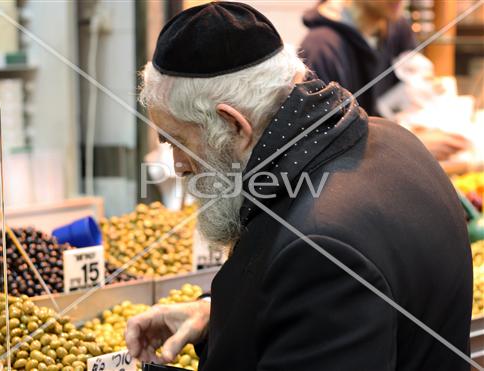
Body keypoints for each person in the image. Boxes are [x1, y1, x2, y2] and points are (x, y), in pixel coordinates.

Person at [125, 2, 472, 370]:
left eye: (177, 141)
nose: (178, 165)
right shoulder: (396, 141)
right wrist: (217, 314)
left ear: (234, 126)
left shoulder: (320, 250)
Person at [300, 0, 470, 161]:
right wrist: (409, 144)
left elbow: (410, 97)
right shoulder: (321, 48)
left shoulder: (396, 27)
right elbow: (326, 145)